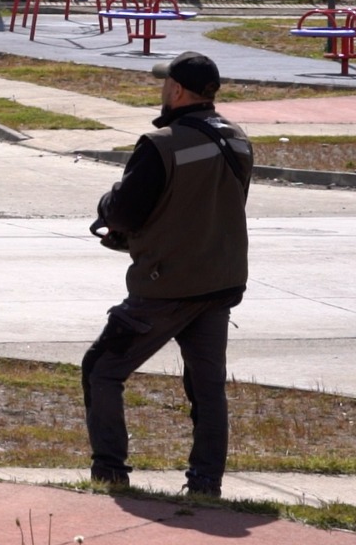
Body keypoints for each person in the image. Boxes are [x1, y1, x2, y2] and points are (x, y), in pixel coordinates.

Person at [83, 51, 252, 498]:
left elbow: (124, 212)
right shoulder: (238, 139)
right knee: (207, 386)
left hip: (166, 285)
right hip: (221, 281)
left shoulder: (161, 145)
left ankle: (110, 472)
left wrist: (107, 204)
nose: (161, 90)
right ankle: (205, 484)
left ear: (176, 90)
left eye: (165, 83)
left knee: (102, 369)